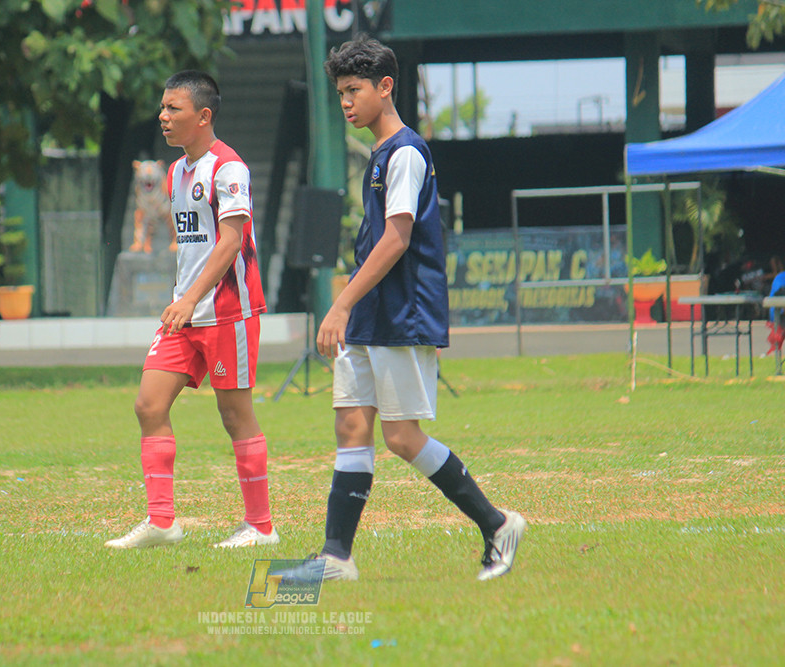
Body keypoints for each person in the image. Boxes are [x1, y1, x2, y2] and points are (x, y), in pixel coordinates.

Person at [288, 38, 525, 581]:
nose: (346, 102)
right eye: (341, 93)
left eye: (354, 91)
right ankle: (335, 557)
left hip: (399, 313)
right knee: (352, 427)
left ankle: (497, 523)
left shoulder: (406, 152)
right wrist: (351, 306)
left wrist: (339, 304)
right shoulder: (377, 153)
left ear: (385, 86)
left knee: (400, 437)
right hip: (369, 315)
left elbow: (396, 240)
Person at [106, 71, 278, 550]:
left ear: (203, 116)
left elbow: (231, 242)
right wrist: (182, 297)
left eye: (173, 108)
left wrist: (189, 298)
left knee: (235, 414)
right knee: (148, 404)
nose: (163, 116)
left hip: (228, 311)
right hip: (185, 312)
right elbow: (193, 244)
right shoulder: (178, 172)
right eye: (162, 108)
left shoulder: (230, 169)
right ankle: (162, 523)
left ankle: (261, 527)